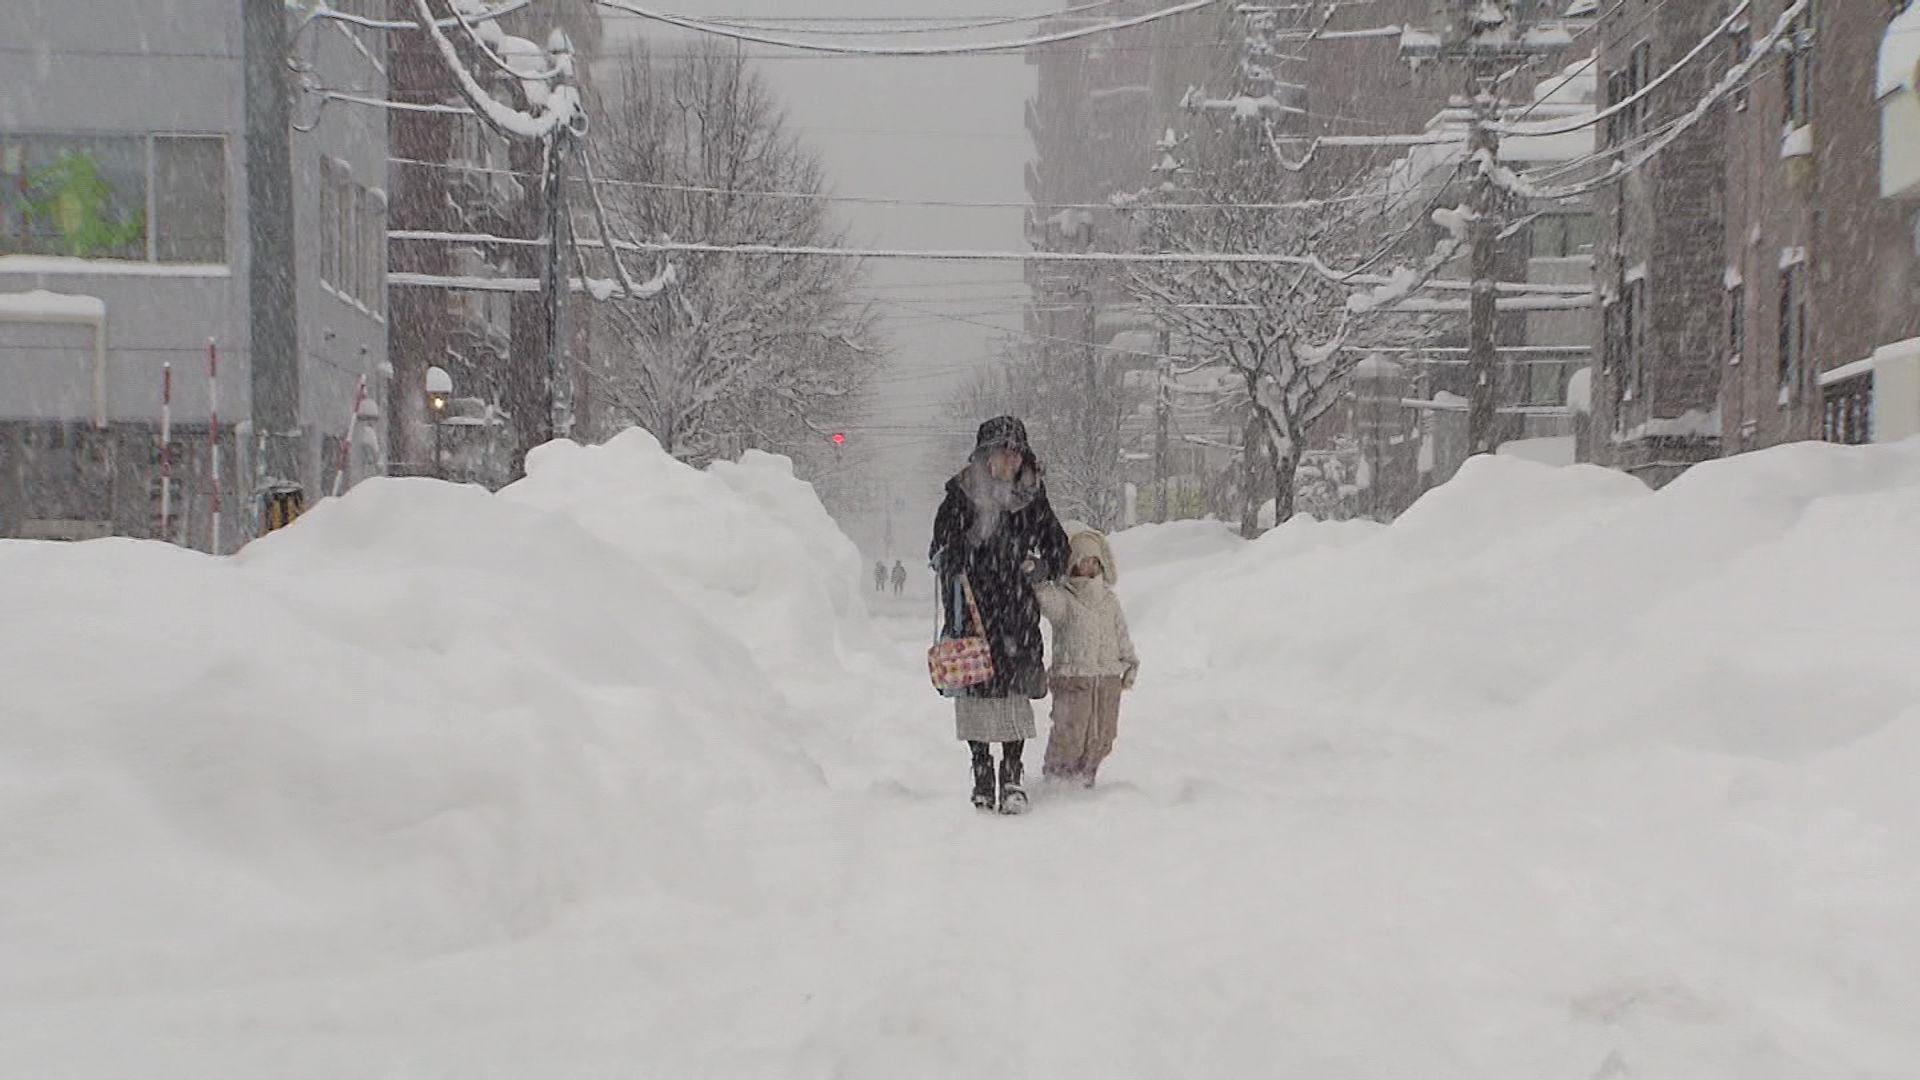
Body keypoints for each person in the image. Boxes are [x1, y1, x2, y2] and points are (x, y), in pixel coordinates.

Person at [930, 416, 1070, 814]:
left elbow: (1058, 548)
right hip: (974, 611)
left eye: (1014, 453)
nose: (1007, 460)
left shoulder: (1033, 497)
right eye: (999, 452)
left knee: (1013, 695)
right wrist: (964, 550)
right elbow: (939, 551)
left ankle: (1011, 775)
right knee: (976, 691)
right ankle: (981, 773)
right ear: (984, 456)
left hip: (1017, 612)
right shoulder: (960, 495)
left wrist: (1040, 568)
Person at [1033, 529, 1138, 788]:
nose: (1088, 566)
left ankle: (1086, 776)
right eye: (1082, 560)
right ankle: (1058, 778)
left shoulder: (1109, 600)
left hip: (1107, 678)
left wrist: (1130, 662)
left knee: (1103, 734)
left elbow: (1120, 632)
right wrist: (1039, 582)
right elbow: (1049, 605)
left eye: (1093, 560)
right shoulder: (1065, 597)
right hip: (1074, 677)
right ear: (1072, 563)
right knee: (1071, 731)